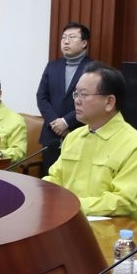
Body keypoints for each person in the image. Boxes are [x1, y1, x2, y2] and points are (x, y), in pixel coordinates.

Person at [44, 61, 137, 219]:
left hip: (116, 227)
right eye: (76, 94)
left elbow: (124, 202)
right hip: (72, 220)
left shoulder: (134, 145)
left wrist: (72, 205)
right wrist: (42, 192)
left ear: (109, 102)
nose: (77, 100)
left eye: (83, 94)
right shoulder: (74, 137)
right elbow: (56, 178)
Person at [36, 22, 92, 175]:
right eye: (63, 38)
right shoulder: (52, 66)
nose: (66, 41)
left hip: (79, 132)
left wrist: (66, 122)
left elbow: (91, 101)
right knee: (49, 180)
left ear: (84, 43)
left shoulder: (94, 68)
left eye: (72, 37)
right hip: (51, 136)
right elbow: (41, 97)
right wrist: (55, 122)